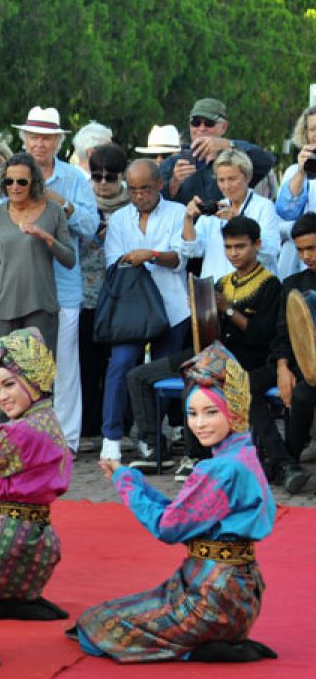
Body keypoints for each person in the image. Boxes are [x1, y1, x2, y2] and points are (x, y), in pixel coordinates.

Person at [73, 342, 277, 664]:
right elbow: (184, 511)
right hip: (238, 593)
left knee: (95, 623)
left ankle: (205, 644)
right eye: (192, 413)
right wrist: (131, 478)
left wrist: (125, 483)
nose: (200, 424)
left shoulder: (220, 469)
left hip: (211, 598)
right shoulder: (244, 454)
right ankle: (218, 641)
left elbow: (168, 526)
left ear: (233, 410)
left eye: (211, 412)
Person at [125, 216, 292, 488]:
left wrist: (227, 309)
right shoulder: (222, 282)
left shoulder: (270, 284)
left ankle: (197, 456)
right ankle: (152, 447)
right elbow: (206, 329)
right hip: (209, 351)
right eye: (228, 247)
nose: (234, 253)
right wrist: (200, 310)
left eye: (240, 246)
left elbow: (261, 335)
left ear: (257, 245)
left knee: (196, 377)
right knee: (138, 375)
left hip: (243, 359)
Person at [0, 106, 98, 452]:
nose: (40, 144)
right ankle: (18, 437)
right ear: (24, 139)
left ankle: (66, 440)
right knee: (15, 363)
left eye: (47, 138)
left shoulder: (73, 179)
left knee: (65, 366)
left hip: (63, 286)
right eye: (34, 137)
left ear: (58, 141)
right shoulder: (11, 175)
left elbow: (90, 226)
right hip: (18, 286)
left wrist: (62, 205)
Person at [98, 159, 189, 465]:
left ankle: (149, 436)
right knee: (120, 365)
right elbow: (113, 262)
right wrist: (137, 258)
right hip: (131, 309)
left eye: (145, 189)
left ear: (159, 185)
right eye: (133, 190)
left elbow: (180, 259)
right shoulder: (121, 219)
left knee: (161, 374)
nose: (139, 196)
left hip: (172, 306)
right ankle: (111, 437)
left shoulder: (178, 213)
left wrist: (149, 255)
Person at [0, 328, 70, 619]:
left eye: (9, 385)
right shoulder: (48, 419)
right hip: (38, 544)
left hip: (2, 541)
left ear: (32, 378)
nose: (2, 397)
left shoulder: (18, 432)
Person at [0, 154, 75, 347]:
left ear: (34, 182)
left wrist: (46, 237)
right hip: (2, 306)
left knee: (38, 374)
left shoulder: (53, 211)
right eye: (9, 181)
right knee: (3, 371)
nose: (15, 186)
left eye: (22, 181)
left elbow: (70, 259)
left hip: (40, 305)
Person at [77, 145, 129, 452]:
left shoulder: (132, 204)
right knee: (87, 362)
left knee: (118, 362)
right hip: (86, 294)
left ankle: (120, 423)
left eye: (110, 176)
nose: (104, 183)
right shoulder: (82, 202)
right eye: (97, 176)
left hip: (122, 296)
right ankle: (89, 425)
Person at [266, 213, 316, 489]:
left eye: (312, 248)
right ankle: (289, 464)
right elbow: (282, 334)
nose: (306, 256)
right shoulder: (293, 284)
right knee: (301, 394)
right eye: (301, 250)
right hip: (305, 366)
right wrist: (282, 368)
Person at [180, 148, 281, 278]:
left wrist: (238, 221)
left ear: (247, 177)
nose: (226, 186)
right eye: (221, 180)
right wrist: (188, 218)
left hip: (255, 290)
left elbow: (271, 251)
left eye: (232, 179)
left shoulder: (264, 207)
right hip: (217, 289)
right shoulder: (214, 209)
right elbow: (191, 251)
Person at [161, 98, 275, 205]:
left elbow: (266, 161)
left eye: (209, 123)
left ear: (224, 127)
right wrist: (174, 183)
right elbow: (155, 202)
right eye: (196, 122)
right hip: (187, 224)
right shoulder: (173, 163)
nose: (201, 128)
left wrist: (228, 144)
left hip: (226, 222)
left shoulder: (236, 160)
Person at [275, 105, 316, 223]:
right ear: (306, 134)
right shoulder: (294, 171)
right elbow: (284, 212)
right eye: (313, 129)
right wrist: (301, 172)